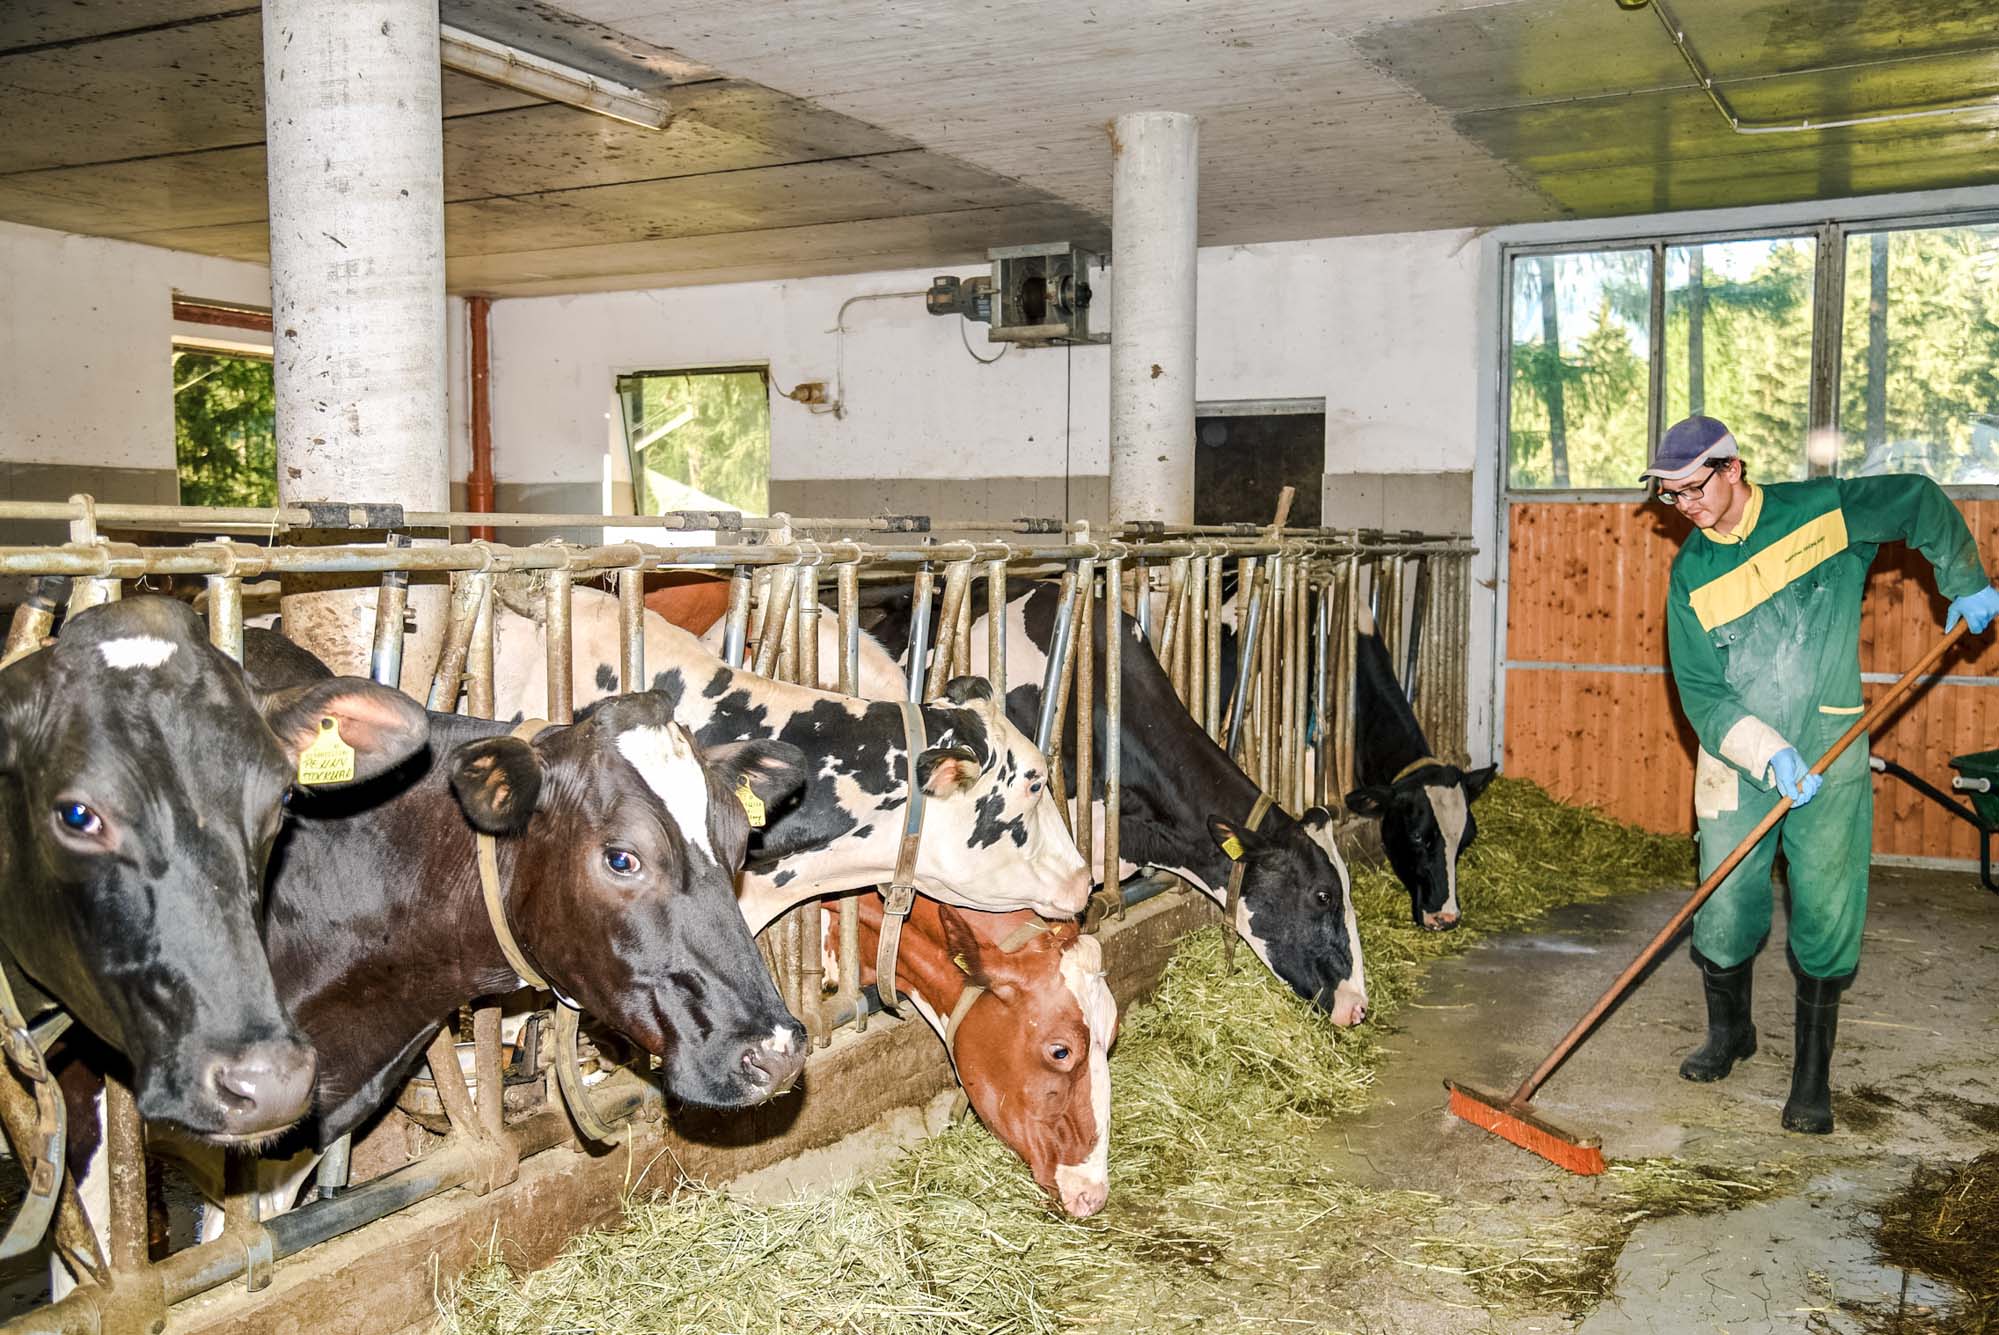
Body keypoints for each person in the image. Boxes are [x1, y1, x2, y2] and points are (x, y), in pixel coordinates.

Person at [1644, 415, 1999, 1133]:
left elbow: (1916, 499)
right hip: (1739, 758)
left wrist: (1964, 578)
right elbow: (1701, 693)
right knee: (1724, 902)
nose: (1683, 507)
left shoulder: (1821, 512)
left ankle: (1811, 1077)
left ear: (1732, 468)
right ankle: (1730, 1032)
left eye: (1692, 488)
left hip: (1829, 745)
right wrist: (1765, 749)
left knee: (1827, 902)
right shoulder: (1690, 577)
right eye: (1669, 496)